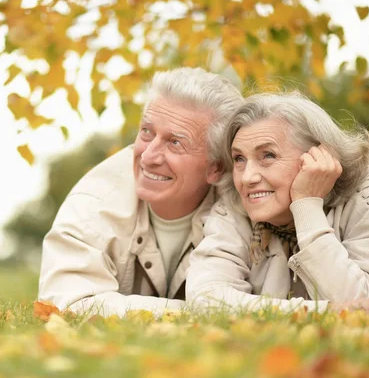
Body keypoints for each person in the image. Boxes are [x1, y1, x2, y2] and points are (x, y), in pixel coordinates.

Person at [38, 67, 244, 317]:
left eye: (175, 142)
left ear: (217, 167)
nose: (147, 156)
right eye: (147, 132)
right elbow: (67, 304)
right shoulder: (93, 202)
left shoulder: (246, 206)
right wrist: (197, 310)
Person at [187, 92, 369, 313]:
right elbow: (205, 297)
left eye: (268, 155)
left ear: (318, 158)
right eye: (239, 159)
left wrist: (307, 206)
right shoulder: (237, 203)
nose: (247, 178)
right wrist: (315, 311)